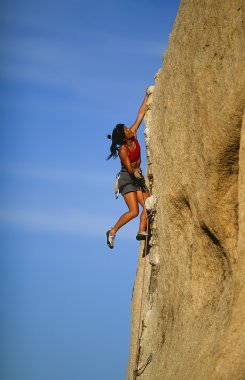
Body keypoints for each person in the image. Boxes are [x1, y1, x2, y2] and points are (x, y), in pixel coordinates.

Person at [106, 88, 150, 249]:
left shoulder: (134, 134)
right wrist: (135, 172)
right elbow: (129, 168)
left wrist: (146, 95)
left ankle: (141, 231)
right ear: (124, 138)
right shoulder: (123, 150)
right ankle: (112, 231)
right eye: (125, 130)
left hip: (137, 177)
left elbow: (140, 114)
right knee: (133, 211)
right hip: (127, 178)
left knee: (148, 205)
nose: (129, 129)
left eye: (127, 128)